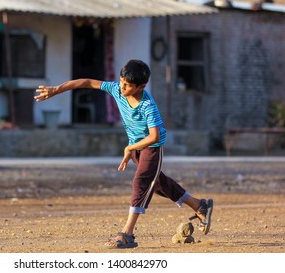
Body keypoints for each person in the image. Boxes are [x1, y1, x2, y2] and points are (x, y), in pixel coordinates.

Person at [34, 59, 213, 249]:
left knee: (142, 181)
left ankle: (127, 234)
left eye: (127, 85)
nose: (122, 87)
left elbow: (154, 136)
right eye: (121, 82)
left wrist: (128, 148)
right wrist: (56, 90)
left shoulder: (147, 105)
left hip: (152, 148)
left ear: (141, 86)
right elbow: (86, 82)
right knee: (158, 183)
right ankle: (199, 205)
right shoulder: (117, 89)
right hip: (135, 147)